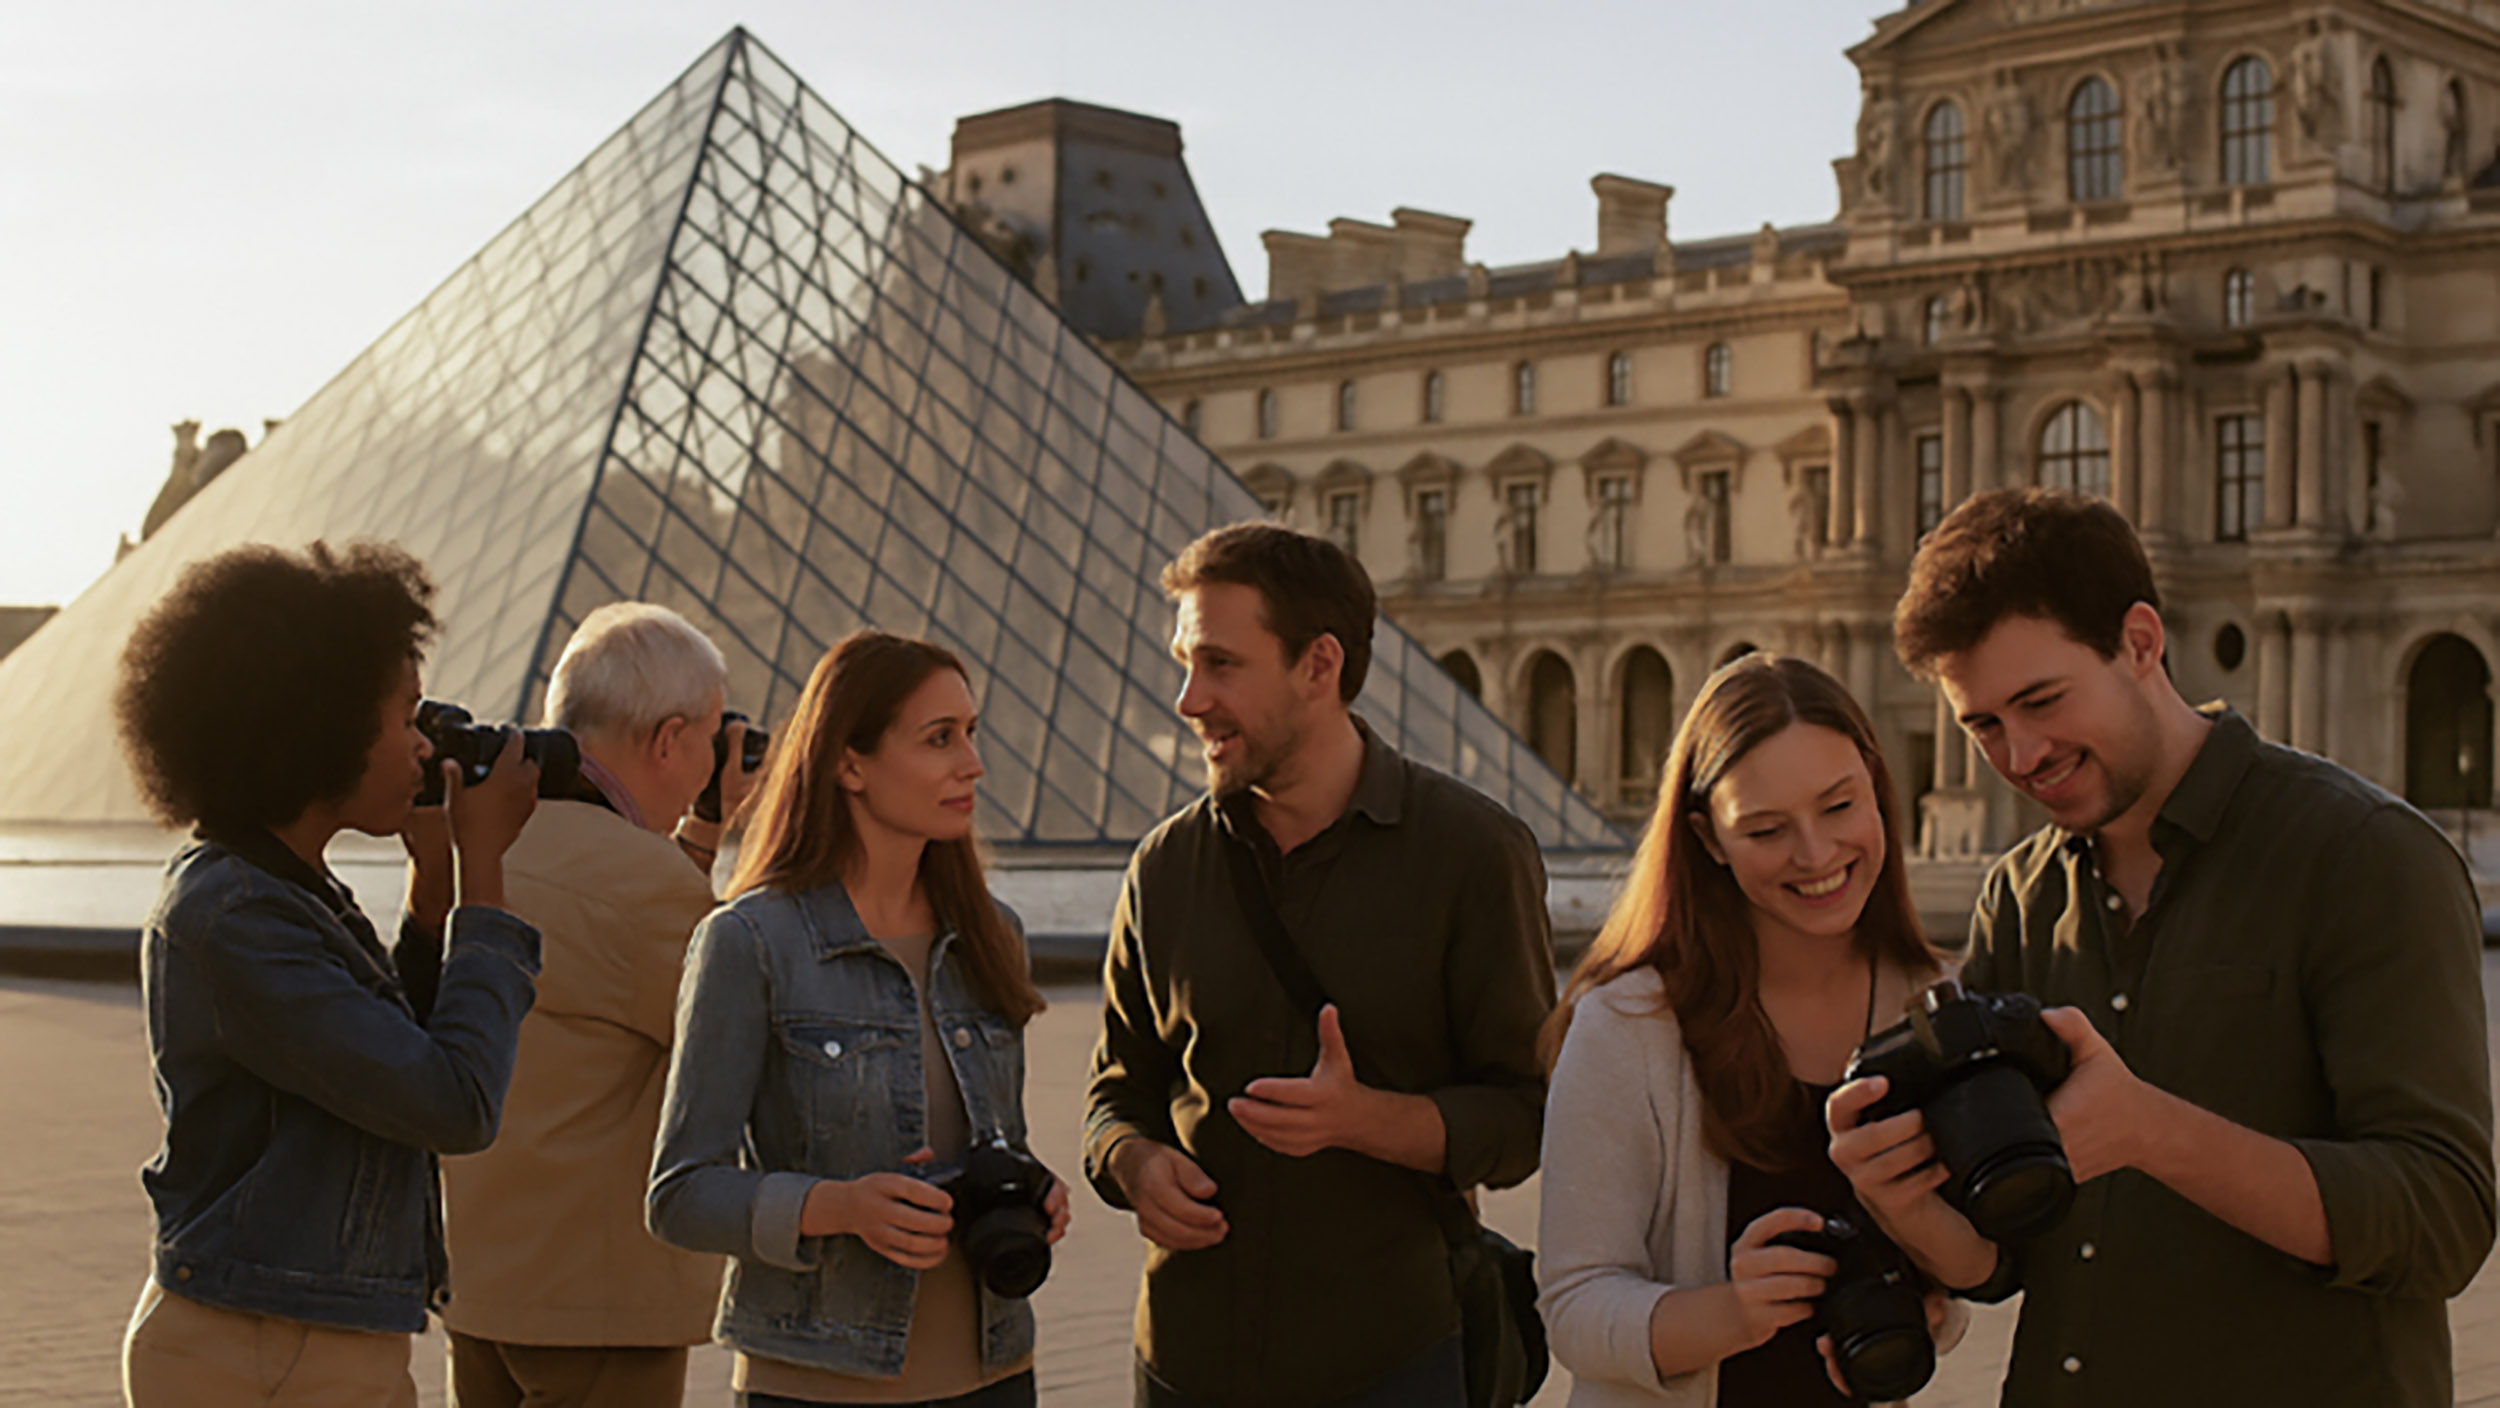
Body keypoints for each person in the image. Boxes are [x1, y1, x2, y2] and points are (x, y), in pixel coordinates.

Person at [1832, 488, 2496, 1406]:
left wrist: (2153, 1131)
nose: (2020, 755)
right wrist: (1904, 1202)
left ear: (2141, 642)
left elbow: (2444, 1219)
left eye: (2041, 700)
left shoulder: (2365, 855)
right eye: (1982, 725)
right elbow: (2007, 1258)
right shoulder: (2019, 895)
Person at [1084, 523, 1555, 1407]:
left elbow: (1527, 1118)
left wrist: (1364, 1119)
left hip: (1388, 1361)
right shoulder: (1164, 865)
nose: (1189, 699)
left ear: (1319, 665)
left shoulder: (1472, 854)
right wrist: (1133, 1162)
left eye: (1221, 664)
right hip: (1186, 1359)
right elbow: (1116, 1086)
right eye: (1185, 662)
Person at [113, 541, 542, 1407]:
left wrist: (431, 899)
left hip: (302, 1330)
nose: (426, 747)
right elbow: (451, 1101)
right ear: (323, 726)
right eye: (408, 718)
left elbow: (381, 1059)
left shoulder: (281, 888)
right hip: (264, 1344)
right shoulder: (235, 916)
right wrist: (484, 876)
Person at [647, 630, 1069, 1408]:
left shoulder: (992, 936)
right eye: (938, 739)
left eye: (970, 735)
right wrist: (837, 1207)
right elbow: (679, 1194)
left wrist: (1030, 1189)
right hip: (817, 1385)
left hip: (997, 1376)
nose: (971, 763)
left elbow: (991, 1138)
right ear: (849, 763)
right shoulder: (750, 943)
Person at [1537, 653, 1963, 1407]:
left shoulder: (1934, 1006)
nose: (1817, 854)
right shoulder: (1626, 1026)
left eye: (1839, 807)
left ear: (1878, 786)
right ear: (1706, 839)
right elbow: (1572, 1310)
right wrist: (1732, 1312)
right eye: (1766, 829)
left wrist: (1930, 1307)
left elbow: (1965, 1278)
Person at [438, 603, 761, 1407]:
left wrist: (699, 837)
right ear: (666, 739)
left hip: (482, 1283)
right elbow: (732, 1044)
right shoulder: (649, 888)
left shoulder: (484, 849)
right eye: (708, 736)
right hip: (601, 1307)